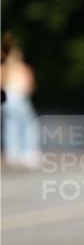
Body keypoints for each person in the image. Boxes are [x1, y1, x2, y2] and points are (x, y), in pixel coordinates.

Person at [0, 34, 39, 168]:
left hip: (8, 99)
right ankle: (29, 154)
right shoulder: (24, 68)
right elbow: (31, 86)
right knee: (28, 125)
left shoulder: (4, 69)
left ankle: (12, 154)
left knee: (11, 127)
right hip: (20, 98)